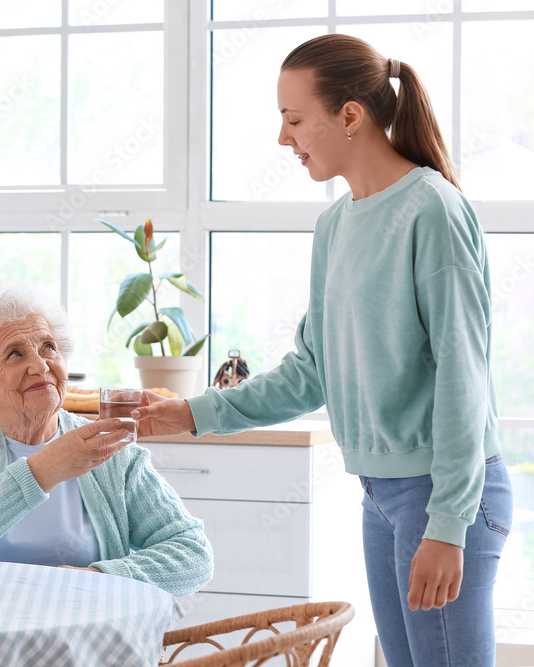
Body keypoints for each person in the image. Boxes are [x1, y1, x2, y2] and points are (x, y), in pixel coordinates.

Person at [134, 34, 512, 665]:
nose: (285, 139)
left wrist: (448, 525)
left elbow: (461, 379)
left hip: (447, 495)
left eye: (294, 119)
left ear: (351, 116)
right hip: (382, 495)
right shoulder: (336, 225)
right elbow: (312, 371)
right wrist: (191, 413)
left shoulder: (433, 212)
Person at [0, 283, 213, 597]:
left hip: (83, 631)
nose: (41, 366)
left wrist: (99, 578)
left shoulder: (111, 448)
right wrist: (44, 470)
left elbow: (193, 554)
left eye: (48, 347)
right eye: (15, 354)